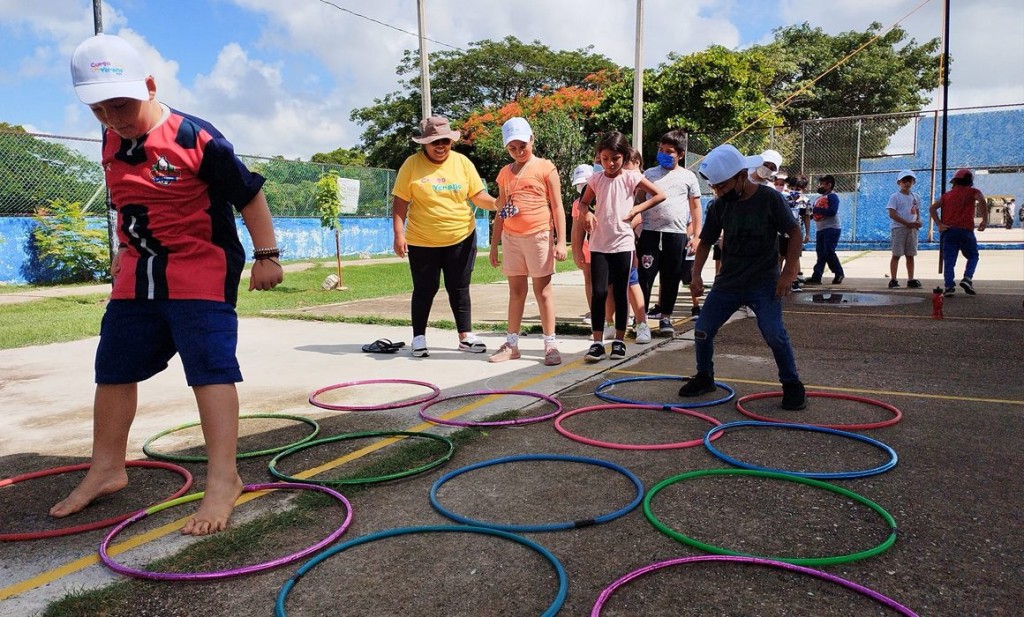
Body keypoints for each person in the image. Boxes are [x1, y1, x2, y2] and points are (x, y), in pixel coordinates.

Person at [52, 34, 284, 536]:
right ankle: (107, 468)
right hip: (138, 274)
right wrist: (119, 256)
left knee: (209, 369)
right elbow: (130, 204)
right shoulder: (112, 139)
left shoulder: (194, 137)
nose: (113, 118)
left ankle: (224, 478)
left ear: (150, 85)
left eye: (121, 104)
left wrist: (267, 256)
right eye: (99, 109)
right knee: (112, 367)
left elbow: (250, 196)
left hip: (200, 269)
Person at [679, 144, 806, 411]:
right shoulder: (719, 205)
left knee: (773, 333)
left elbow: (794, 233)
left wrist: (788, 272)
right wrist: (696, 273)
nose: (719, 192)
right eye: (715, 187)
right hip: (729, 283)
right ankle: (705, 377)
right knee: (702, 329)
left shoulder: (770, 199)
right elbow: (705, 242)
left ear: (740, 176)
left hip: (763, 283)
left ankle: (792, 384)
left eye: (723, 186)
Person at [392, 116, 497, 357]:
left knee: (459, 288)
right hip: (422, 240)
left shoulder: (462, 163)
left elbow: (478, 195)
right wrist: (399, 234)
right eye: (435, 142)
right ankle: (419, 337)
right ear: (424, 144)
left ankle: (465, 336)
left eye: (445, 141)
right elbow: (400, 203)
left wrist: (496, 203)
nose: (441, 146)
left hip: (461, 236)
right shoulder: (411, 165)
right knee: (424, 288)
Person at [578, 132, 665, 362]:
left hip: (623, 244)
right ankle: (597, 342)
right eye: (605, 158)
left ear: (624, 156)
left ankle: (618, 340)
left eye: (615, 158)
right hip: (599, 243)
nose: (610, 163)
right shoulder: (595, 180)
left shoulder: (630, 177)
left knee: (620, 291)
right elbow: (583, 202)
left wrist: (638, 209)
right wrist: (586, 213)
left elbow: (659, 194)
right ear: (599, 158)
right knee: (599, 293)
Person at [488, 117, 567, 365]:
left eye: (523, 145)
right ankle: (511, 343)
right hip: (512, 238)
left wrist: (561, 240)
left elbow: (557, 206)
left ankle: (550, 344)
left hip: (539, 235)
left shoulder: (545, 167)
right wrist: (494, 245)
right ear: (506, 148)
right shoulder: (504, 174)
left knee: (542, 291)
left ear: (532, 139)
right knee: (516, 291)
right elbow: (502, 209)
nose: (519, 151)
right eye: (512, 148)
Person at [636, 130, 703, 337]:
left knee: (671, 276)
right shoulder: (649, 174)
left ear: (680, 154)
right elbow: (638, 201)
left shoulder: (688, 177)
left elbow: (696, 207)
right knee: (645, 276)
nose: (664, 154)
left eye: (669, 152)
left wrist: (696, 235)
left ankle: (666, 316)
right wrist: (636, 227)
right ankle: (641, 320)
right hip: (650, 233)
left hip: (675, 234)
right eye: (661, 150)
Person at [929, 168, 987, 297]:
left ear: (955, 182)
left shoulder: (947, 195)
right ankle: (967, 278)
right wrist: (984, 220)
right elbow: (982, 200)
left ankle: (949, 287)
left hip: (948, 230)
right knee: (973, 256)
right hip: (966, 230)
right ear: (970, 181)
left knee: (949, 260)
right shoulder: (973, 192)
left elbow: (932, 208)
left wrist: (939, 223)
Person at [886, 170, 923, 289]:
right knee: (896, 254)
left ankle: (911, 279)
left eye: (910, 181)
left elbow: (916, 211)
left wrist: (918, 221)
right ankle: (893, 279)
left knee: (910, 255)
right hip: (899, 229)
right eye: (904, 181)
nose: (907, 183)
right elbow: (892, 213)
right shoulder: (895, 197)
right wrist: (906, 223)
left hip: (912, 229)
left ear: (913, 182)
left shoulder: (915, 197)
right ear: (899, 182)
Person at [805, 174, 845, 285]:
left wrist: (816, 209)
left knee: (828, 251)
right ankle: (816, 277)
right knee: (821, 253)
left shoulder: (832, 197)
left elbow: (832, 212)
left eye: (822, 184)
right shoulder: (819, 198)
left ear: (829, 185)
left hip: (831, 228)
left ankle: (839, 272)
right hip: (821, 229)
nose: (820, 186)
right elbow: (815, 213)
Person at [569, 164, 594, 322]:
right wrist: (576, 251)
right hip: (586, 246)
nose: (582, 187)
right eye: (579, 184)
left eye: (585, 183)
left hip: (603, 245)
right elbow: (575, 228)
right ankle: (594, 310)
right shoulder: (577, 204)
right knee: (589, 278)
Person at [784, 174, 812, 290]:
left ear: (803, 189)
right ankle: (778, 279)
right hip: (782, 232)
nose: (795, 191)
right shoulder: (784, 199)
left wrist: (807, 233)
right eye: (793, 188)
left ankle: (794, 281)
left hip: (796, 233)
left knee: (794, 257)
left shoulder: (805, 201)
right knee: (780, 256)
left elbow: (807, 217)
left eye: (798, 189)